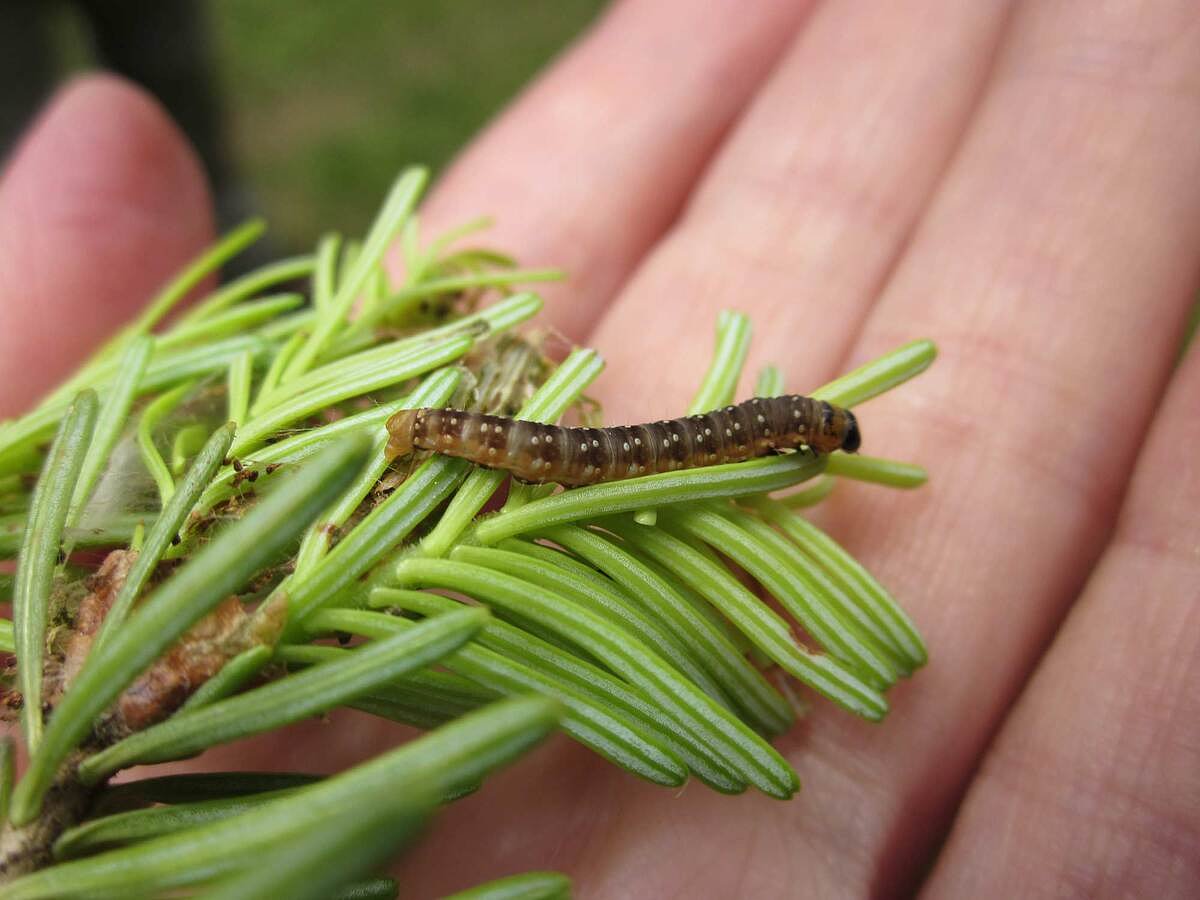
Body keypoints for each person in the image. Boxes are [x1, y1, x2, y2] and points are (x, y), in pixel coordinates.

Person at [1, 2, 1197, 896]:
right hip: (502, 441)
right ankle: (435, 430)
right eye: (822, 431)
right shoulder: (616, 441)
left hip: (534, 443)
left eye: (818, 433)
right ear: (804, 430)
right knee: (605, 455)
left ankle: (439, 431)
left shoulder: (744, 434)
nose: (816, 438)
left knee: (635, 450)